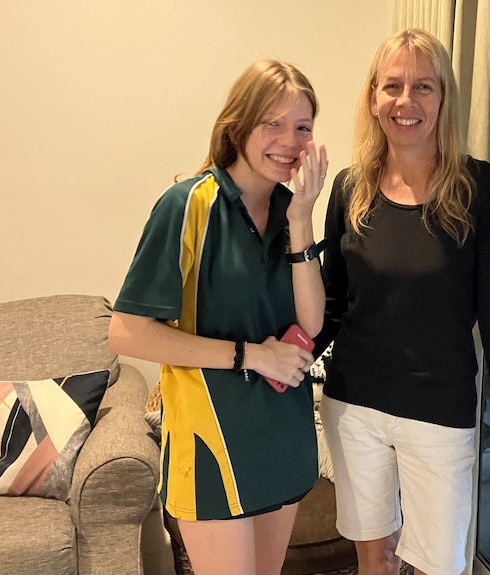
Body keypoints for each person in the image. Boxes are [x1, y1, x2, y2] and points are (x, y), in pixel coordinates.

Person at [315, 28, 490, 575]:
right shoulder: (350, 188)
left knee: (440, 564)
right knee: (374, 560)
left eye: (423, 87)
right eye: (392, 86)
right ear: (373, 98)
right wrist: (275, 358)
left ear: (444, 99)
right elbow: (333, 305)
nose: (405, 101)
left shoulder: (482, 190)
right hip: (354, 407)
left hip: (439, 413)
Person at [108, 59, 329, 575]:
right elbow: (126, 331)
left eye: (303, 127)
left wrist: (301, 221)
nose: (290, 141)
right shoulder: (187, 205)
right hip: (212, 443)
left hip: (283, 434)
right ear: (237, 125)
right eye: (272, 123)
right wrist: (253, 356)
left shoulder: (291, 210)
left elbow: (312, 324)